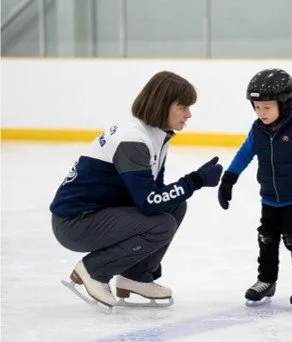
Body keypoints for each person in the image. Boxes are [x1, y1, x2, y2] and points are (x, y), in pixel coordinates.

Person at [50, 71, 223, 309]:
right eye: (183, 107)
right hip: (75, 223)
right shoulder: (133, 139)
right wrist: (194, 181)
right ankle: (93, 269)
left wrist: (191, 183)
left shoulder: (155, 135)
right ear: (162, 105)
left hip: (97, 214)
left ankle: (135, 276)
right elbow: (149, 202)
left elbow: (157, 194)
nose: (188, 114)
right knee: (162, 225)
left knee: (175, 206)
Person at [218, 68, 292, 307]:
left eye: (267, 107)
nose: (261, 113)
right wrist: (229, 178)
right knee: (267, 238)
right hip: (269, 198)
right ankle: (266, 280)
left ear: (285, 104)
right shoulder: (257, 129)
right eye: (257, 107)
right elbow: (244, 154)